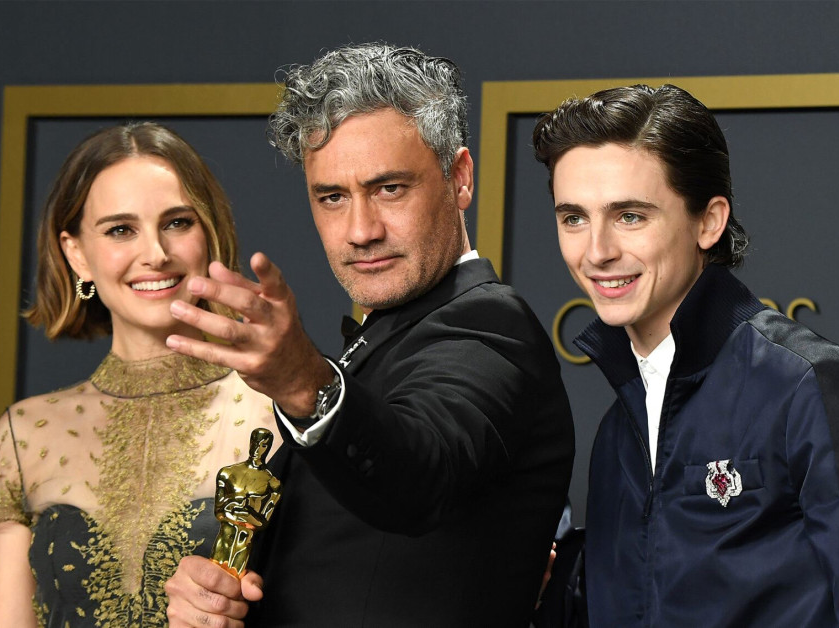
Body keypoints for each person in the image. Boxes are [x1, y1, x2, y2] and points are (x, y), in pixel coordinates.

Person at [163, 43, 575, 627]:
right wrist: (214, 594)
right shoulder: (383, 340)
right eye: (332, 197)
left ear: (459, 179)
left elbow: (417, 471)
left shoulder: (492, 328)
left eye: (389, 189)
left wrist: (305, 383)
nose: (360, 230)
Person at [531, 84, 839, 627]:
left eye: (629, 215)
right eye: (574, 218)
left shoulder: (815, 386)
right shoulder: (615, 436)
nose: (597, 251)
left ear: (709, 221)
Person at [0, 122, 280, 627]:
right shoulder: (20, 437)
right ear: (77, 253)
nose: (155, 253)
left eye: (177, 223)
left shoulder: (276, 415)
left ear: (209, 234)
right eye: (120, 229)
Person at [211, 427, 282, 576]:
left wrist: (246, 513)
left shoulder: (272, 484)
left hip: (245, 543)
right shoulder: (228, 473)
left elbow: (263, 522)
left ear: (268, 447)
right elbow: (219, 511)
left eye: (263, 445)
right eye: (255, 442)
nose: (257, 448)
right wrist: (235, 507)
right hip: (224, 536)